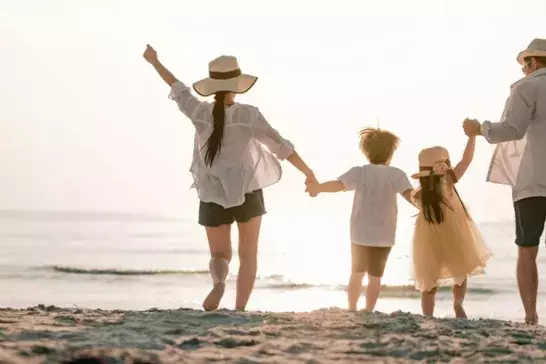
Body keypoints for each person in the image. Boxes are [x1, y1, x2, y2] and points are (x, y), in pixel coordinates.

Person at [143, 45, 317, 311]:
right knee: (248, 256)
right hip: (247, 190)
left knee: (219, 254)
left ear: (212, 86)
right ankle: (239, 310)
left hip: (211, 191)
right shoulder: (248, 115)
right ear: (237, 85)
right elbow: (281, 147)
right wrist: (308, 172)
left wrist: (155, 61)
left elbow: (177, 87)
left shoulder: (199, 112)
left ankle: (219, 282)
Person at [463, 38, 546, 324]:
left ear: (532, 62)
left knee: (527, 249)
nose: (523, 69)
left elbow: (513, 129)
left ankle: (532, 316)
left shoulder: (527, 87)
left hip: (534, 181)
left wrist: (479, 129)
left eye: (525, 63)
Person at [306, 128, 414, 312]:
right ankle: (369, 310)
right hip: (384, 235)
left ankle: (352, 308)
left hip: (360, 233)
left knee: (356, 274)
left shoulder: (360, 172)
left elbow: (338, 186)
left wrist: (318, 188)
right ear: (391, 153)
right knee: (375, 277)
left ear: (367, 152)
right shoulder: (396, 174)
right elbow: (410, 196)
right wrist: (428, 205)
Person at [410, 141, 492, 318]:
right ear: (445, 165)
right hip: (455, 232)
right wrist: (471, 137)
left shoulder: (420, 193)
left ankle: (428, 315)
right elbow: (466, 160)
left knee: (429, 279)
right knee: (460, 272)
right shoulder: (448, 180)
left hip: (427, 238)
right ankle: (458, 302)